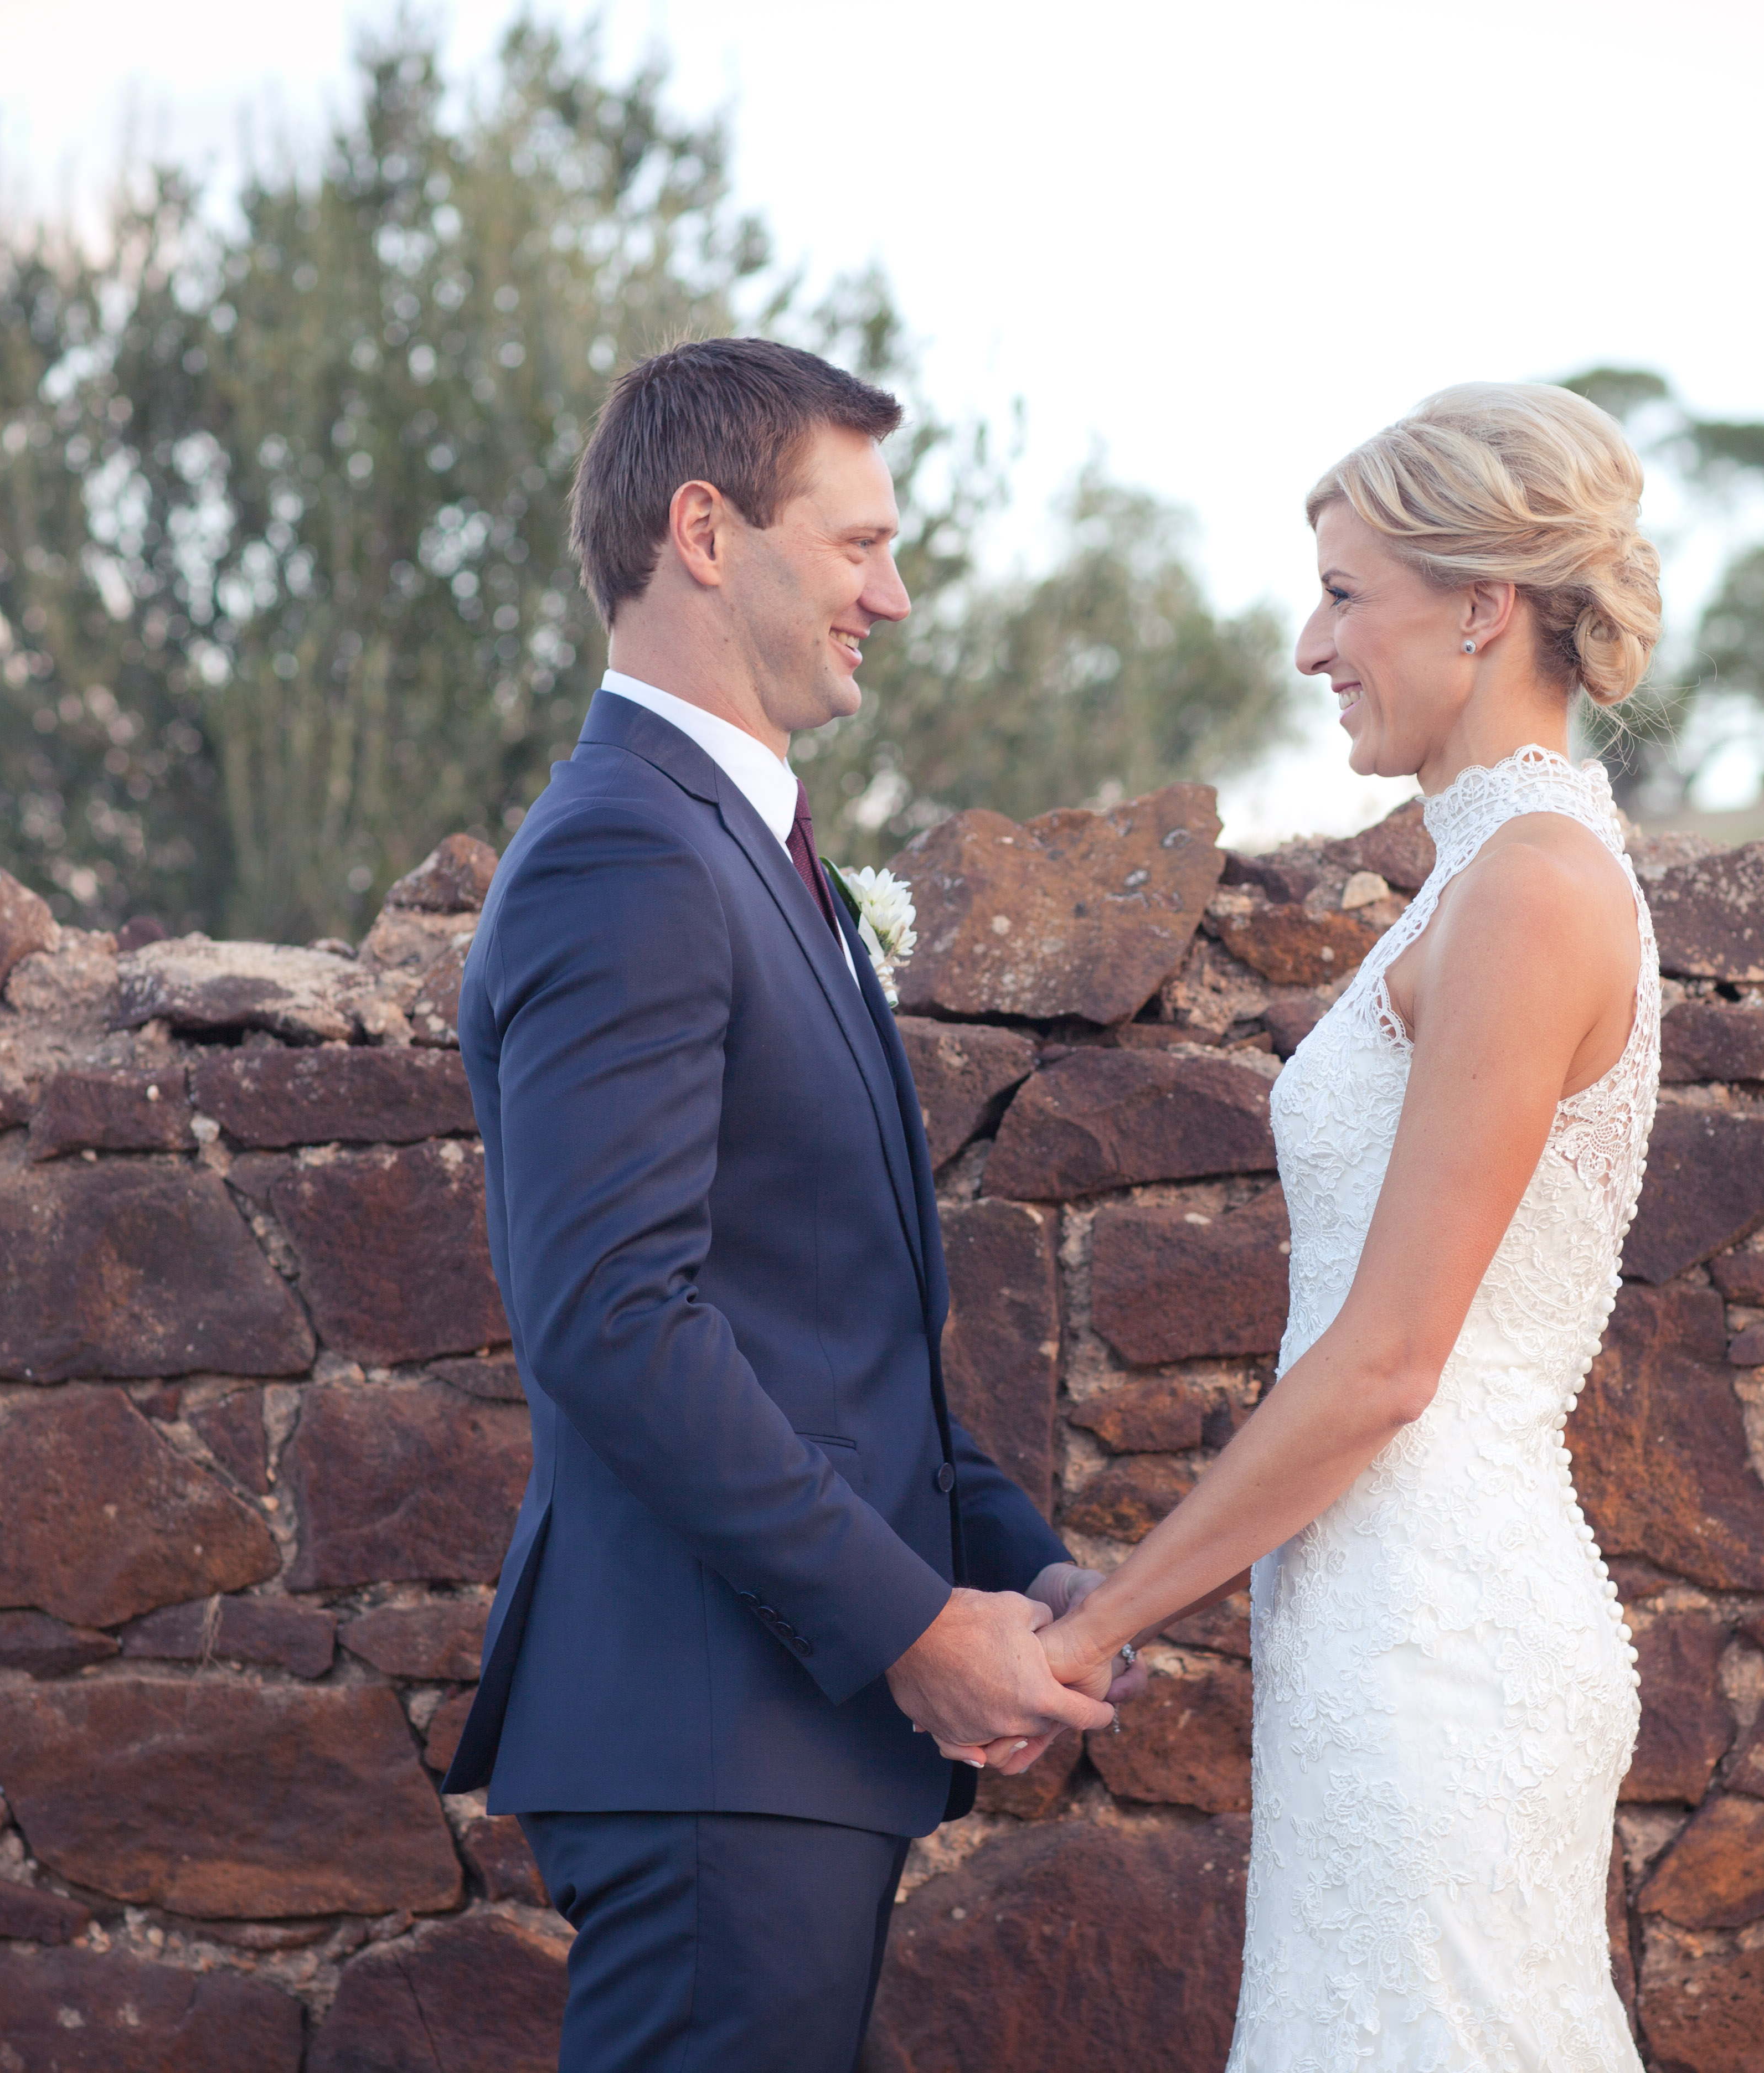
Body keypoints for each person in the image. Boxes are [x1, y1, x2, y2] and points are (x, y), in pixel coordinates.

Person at [445, 336, 1130, 2073]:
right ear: (704, 532)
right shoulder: (629, 851)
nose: (891, 598)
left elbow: (827, 1337)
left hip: (767, 1749)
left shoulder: (749, 854)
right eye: (858, 546)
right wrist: (913, 1629)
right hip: (714, 1740)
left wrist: (1030, 1574)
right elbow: (618, 1324)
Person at [1034, 382, 1665, 2069]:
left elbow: (1389, 1360)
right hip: (1382, 1628)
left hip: (1442, 1649)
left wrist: (1100, 1623)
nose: (1311, 644)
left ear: (1482, 606)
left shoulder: (1533, 886)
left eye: (1341, 594)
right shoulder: (1483, 877)